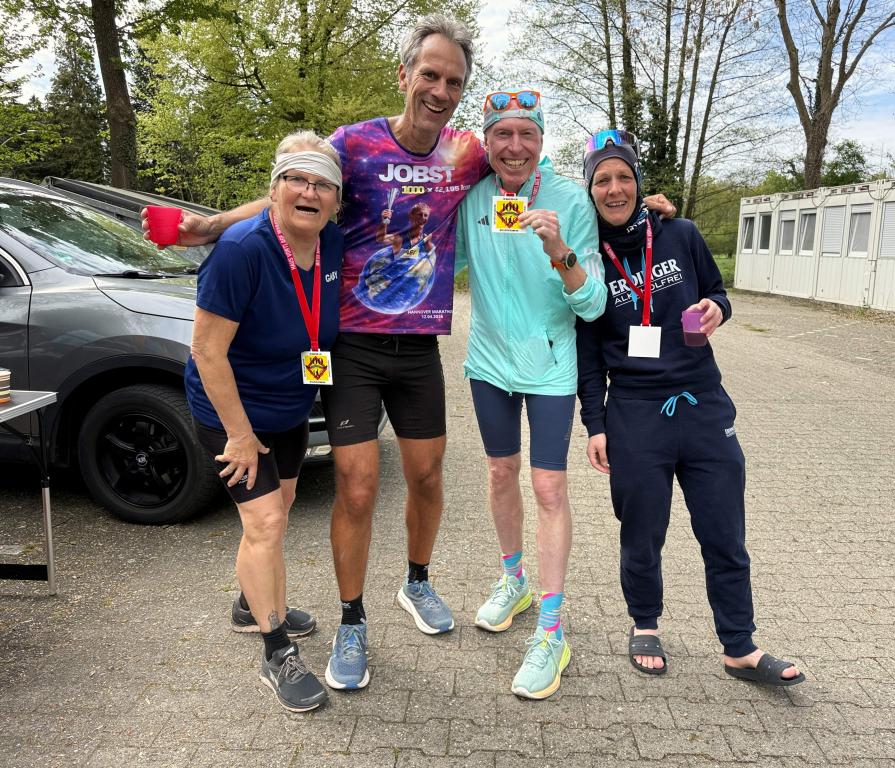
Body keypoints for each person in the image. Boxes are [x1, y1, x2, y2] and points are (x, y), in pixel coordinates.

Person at [145, 13, 673, 693]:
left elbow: (542, 168)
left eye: (454, 82)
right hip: (355, 348)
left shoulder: (469, 153)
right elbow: (296, 185)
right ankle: (352, 620)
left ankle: (417, 581)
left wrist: (643, 211)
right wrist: (214, 224)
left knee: (426, 477)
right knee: (358, 485)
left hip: (421, 348)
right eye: (430, 75)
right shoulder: (354, 143)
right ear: (405, 75)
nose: (440, 90)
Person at [576, 130, 805, 686]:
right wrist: (595, 425)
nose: (615, 188)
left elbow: (718, 291)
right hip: (634, 412)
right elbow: (587, 353)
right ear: (590, 190)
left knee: (724, 532)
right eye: (602, 180)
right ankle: (645, 624)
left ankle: (740, 646)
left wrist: (717, 309)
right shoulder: (588, 259)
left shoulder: (680, 233)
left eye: (624, 176)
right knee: (642, 531)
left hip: (702, 403)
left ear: (638, 183)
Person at [185, 131, 344, 712]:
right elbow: (207, 350)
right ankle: (277, 652)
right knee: (267, 524)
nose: (309, 192)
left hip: (288, 408)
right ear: (274, 188)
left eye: (322, 184)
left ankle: (249, 604)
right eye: (296, 179)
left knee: (281, 509)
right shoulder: (242, 251)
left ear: (336, 199)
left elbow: (296, 197)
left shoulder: (331, 241)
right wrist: (239, 435)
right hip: (232, 412)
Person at [456, 90, 606, 699]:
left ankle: (551, 629)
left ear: (541, 142)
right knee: (499, 472)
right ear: (487, 142)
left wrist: (558, 250)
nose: (515, 146)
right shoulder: (473, 199)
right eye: (503, 134)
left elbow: (592, 303)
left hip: (549, 365)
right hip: (489, 363)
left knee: (548, 487)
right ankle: (512, 579)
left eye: (527, 134)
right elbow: (437, 258)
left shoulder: (571, 199)